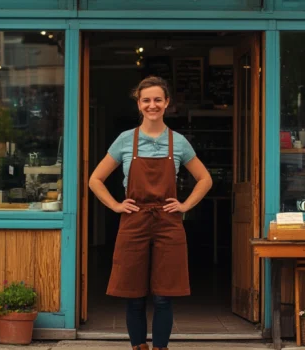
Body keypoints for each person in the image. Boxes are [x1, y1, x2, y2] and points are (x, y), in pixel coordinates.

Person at [88, 76, 212, 350]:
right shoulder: (125, 140)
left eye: (158, 100)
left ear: (167, 103)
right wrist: (116, 205)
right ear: (139, 104)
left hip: (168, 222)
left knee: (164, 295)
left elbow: (205, 179)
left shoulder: (178, 142)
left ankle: (160, 348)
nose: (152, 105)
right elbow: (95, 179)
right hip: (134, 221)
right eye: (146, 100)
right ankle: (138, 347)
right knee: (133, 294)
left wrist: (185, 205)